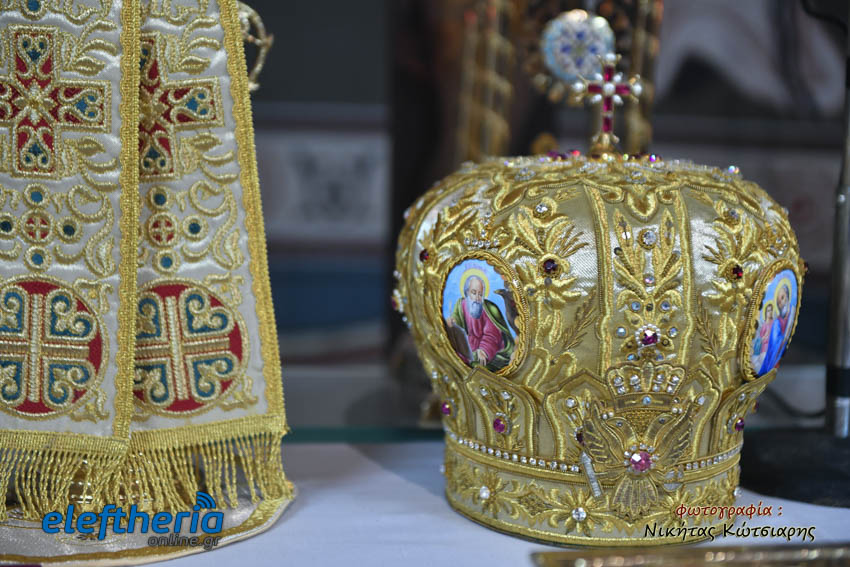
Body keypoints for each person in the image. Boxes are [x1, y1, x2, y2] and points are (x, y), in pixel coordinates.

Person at [446, 274, 515, 371]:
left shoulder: (488, 309)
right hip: (469, 349)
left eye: (480, 294)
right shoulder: (461, 304)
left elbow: (492, 335)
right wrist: (452, 321)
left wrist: (484, 350)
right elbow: (457, 319)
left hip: (490, 349)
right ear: (467, 293)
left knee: (479, 367)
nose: (477, 298)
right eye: (473, 293)